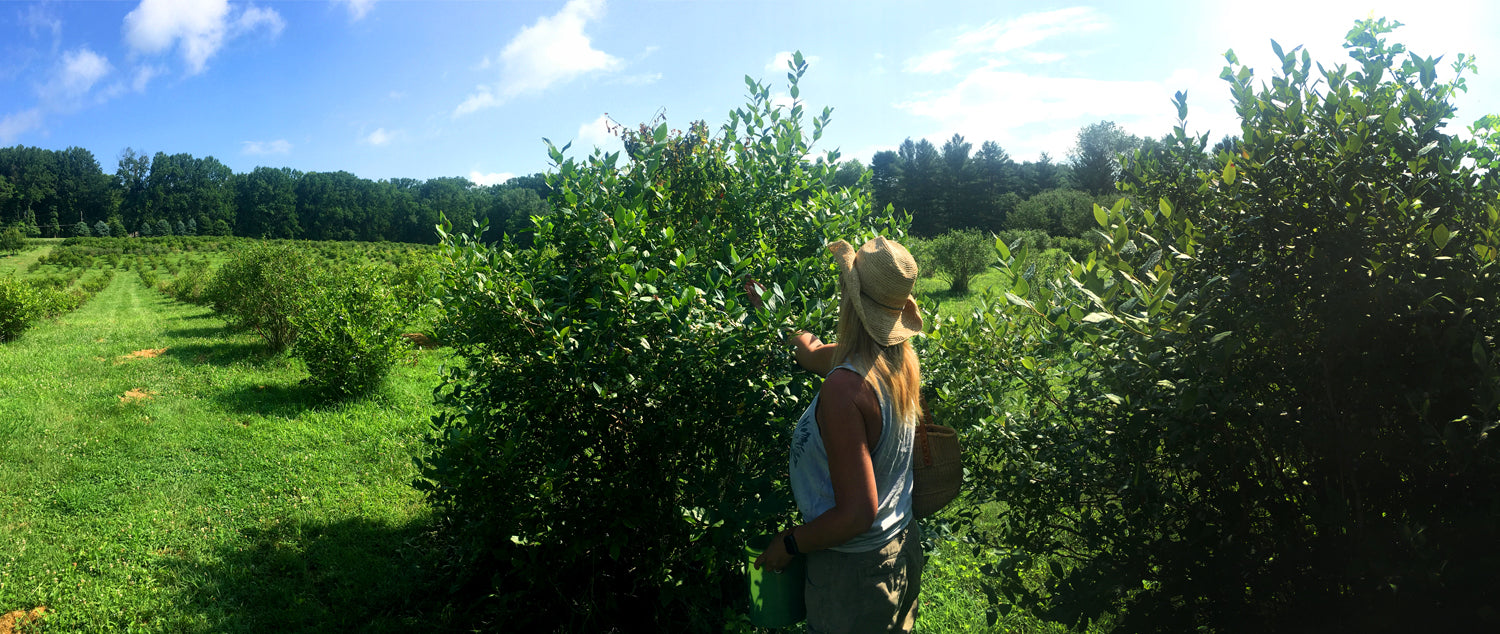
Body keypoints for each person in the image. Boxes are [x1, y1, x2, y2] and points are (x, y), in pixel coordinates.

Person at [750, 236, 925, 633]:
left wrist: (790, 543)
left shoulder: (844, 389)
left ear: (851, 298)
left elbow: (857, 514)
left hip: (854, 573)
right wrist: (770, 311)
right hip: (899, 544)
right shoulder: (896, 358)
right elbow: (810, 352)